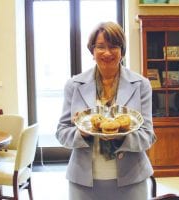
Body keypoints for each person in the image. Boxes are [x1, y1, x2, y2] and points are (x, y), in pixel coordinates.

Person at [56, 21, 156, 200]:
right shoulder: (74, 85)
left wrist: (123, 135)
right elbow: (62, 132)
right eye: (101, 47)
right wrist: (82, 133)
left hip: (131, 180)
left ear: (122, 51)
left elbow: (148, 135)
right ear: (92, 51)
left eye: (114, 46)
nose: (107, 52)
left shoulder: (141, 85)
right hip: (83, 182)